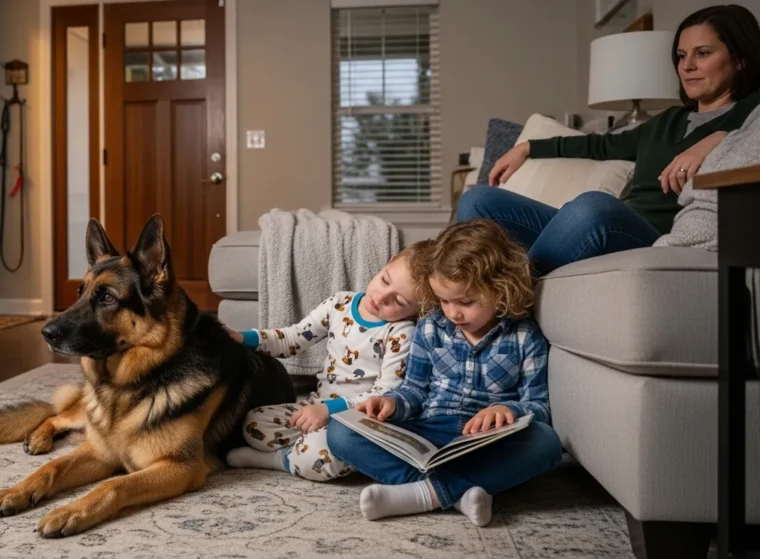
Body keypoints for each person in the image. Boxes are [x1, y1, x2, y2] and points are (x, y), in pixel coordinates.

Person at [457, 4, 760, 275]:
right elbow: (598, 145)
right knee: (479, 200)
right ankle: (466, 296)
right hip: (609, 227)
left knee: (593, 207)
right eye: (681, 56)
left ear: (740, 59)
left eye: (703, 53)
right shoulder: (668, 120)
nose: (687, 66)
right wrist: (527, 148)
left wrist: (721, 137)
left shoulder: (750, 115)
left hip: (652, 238)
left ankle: (510, 295)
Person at [326, 219, 562, 526]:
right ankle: (457, 491)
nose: (453, 313)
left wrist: (508, 409)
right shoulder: (429, 327)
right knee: (340, 431)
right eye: (444, 300)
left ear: (500, 288)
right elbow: (414, 391)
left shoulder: (525, 337)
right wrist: (392, 404)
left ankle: (423, 493)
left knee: (546, 442)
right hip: (429, 431)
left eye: (466, 302)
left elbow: (539, 407)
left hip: (487, 442)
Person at [224, 241, 429, 482]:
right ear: (389, 262)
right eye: (385, 280)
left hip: (356, 421)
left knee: (321, 458)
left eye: (399, 302)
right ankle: (300, 449)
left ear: (418, 311)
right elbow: (294, 337)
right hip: (316, 405)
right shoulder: (339, 303)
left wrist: (329, 411)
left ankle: (280, 460)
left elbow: (384, 394)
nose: (382, 297)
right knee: (254, 423)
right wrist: (243, 338)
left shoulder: (402, 333)